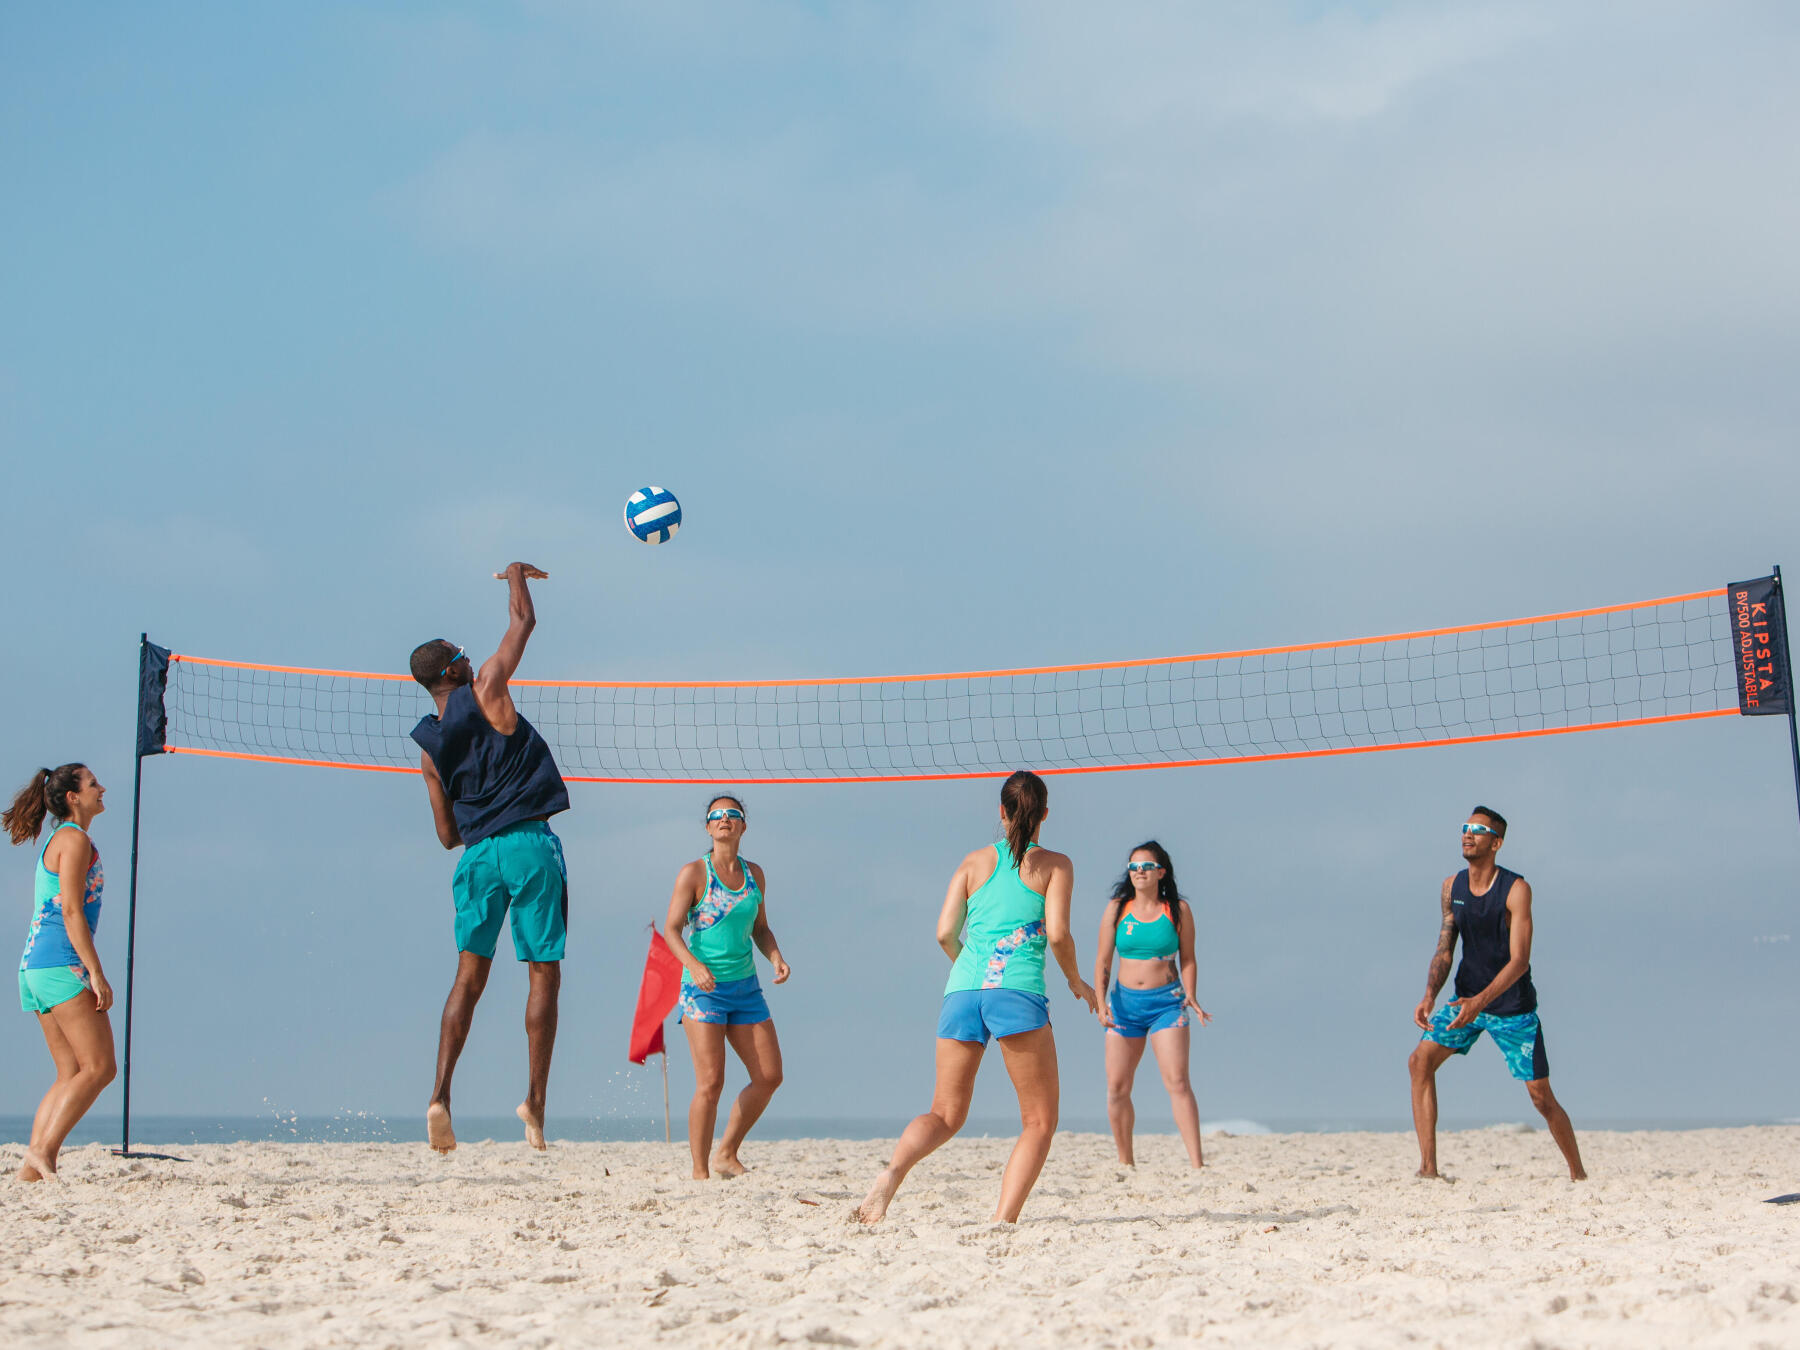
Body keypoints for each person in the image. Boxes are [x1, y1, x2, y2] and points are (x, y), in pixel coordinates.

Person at [856, 770, 1098, 1224]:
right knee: (1039, 1122)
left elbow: (945, 933)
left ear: (1001, 812)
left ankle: (891, 1175)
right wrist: (1075, 980)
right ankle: (1002, 1222)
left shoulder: (972, 863)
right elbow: (1060, 934)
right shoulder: (1055, 864)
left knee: (944, 1114)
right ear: (1045, 813)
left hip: (963, 989)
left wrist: (971, 969)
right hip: (1017, 991)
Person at [409, 562, 570, 1154]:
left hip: (476, 858)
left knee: (468, 978)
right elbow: (525, 621)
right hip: (528, 844)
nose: (472, 656)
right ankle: (535, 1101)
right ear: (454, 668)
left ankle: (440, 1095)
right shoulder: (488, 689)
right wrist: (516, 576)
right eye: (461, 652)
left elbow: (446, 835)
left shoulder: (428, 748)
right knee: (542, 972)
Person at [1409, 805, 1586, 1181]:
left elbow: (1520, 961)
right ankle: (1428, 1171)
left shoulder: (1516, 889)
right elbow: (1445, 947)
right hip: (1464, 1001)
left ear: (1497, 843)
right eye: (1465, 827)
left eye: (1478, 829)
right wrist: (1429, 995)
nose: (1468, 834)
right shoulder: (1451, 887)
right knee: (1419, 1062)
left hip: (1511, 1008)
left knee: (1541, 1097)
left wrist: (1480, 1003)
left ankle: (1578, 1174)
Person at [661, 794, 790, 1179]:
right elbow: (671, 930)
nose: (724, 820)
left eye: (732, 815)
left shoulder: (755, 875)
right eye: (716, 816)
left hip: (745, 988)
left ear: (743, 826)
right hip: (704, 989)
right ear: (707, 827)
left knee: (769, 1076)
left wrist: (776, 957)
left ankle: (726, 1154)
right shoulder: (694, 874)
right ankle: (700, 1172)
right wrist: (694, 965)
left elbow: (760, 929)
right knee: (711, 1082)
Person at [6, 763, 116, 1181]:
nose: (101, 788)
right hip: (58, 963)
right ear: (73, 797)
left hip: (36, 965)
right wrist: (96, 973)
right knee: (100, 1067)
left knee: (70, 1072)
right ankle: (44, 1154)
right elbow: (70, 910)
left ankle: (31, 1173)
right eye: (92, 784)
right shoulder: (74, 840)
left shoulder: (62, 838)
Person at [1093, 841, 1209, 1168]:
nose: (1139, 872)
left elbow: (1188, 958)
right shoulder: (1117, 909)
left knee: (1178, 1081)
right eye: (1133, 867)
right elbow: (1103, 961)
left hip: (1167, 1005)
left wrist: (1192, 994)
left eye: (1146, 867)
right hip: (1124, 1006)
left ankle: (1198, 1164)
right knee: (1116, 1087)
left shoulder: (1178, 910)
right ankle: (1125, 1161)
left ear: (1161, 872)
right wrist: (1101, 1004)